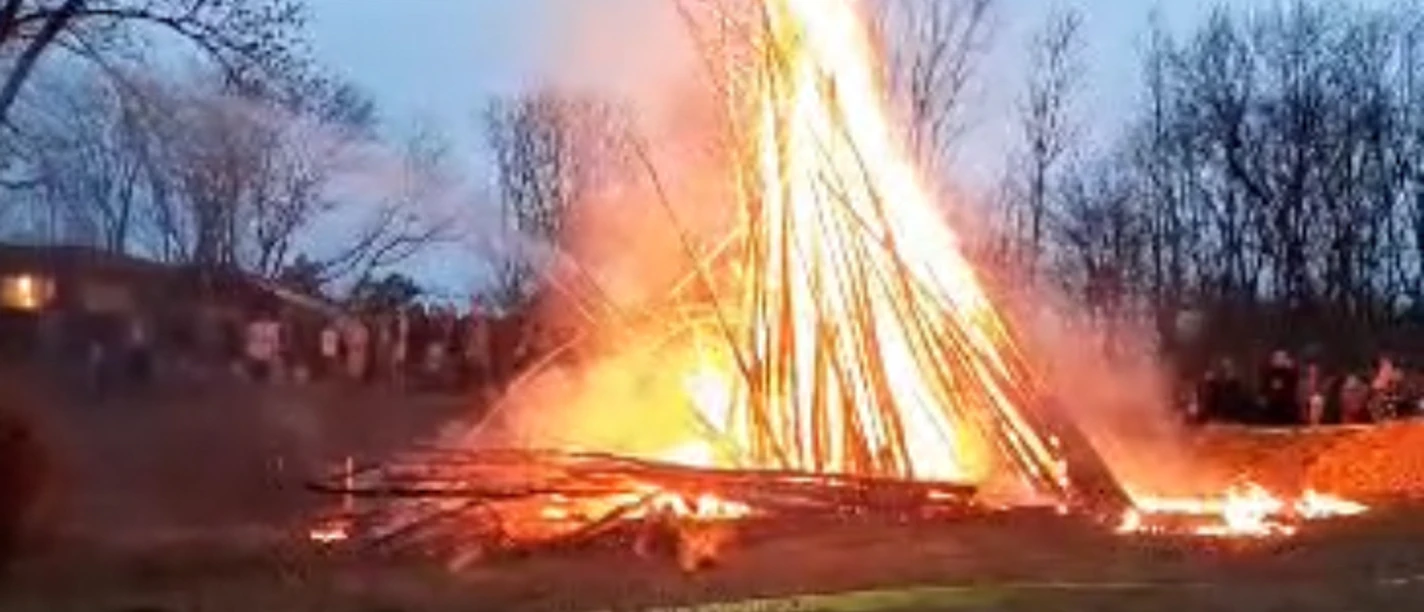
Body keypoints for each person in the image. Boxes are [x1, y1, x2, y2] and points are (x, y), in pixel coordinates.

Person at [1259, 349, 1300, 426]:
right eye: (1276, 357)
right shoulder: (1269, 373)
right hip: (1271, 408)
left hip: (1287, 408)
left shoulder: (1290, 373)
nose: (1279, 360)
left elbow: (1295, 376)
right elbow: (1264, 387)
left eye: (1282, 357)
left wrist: (1290, 366)